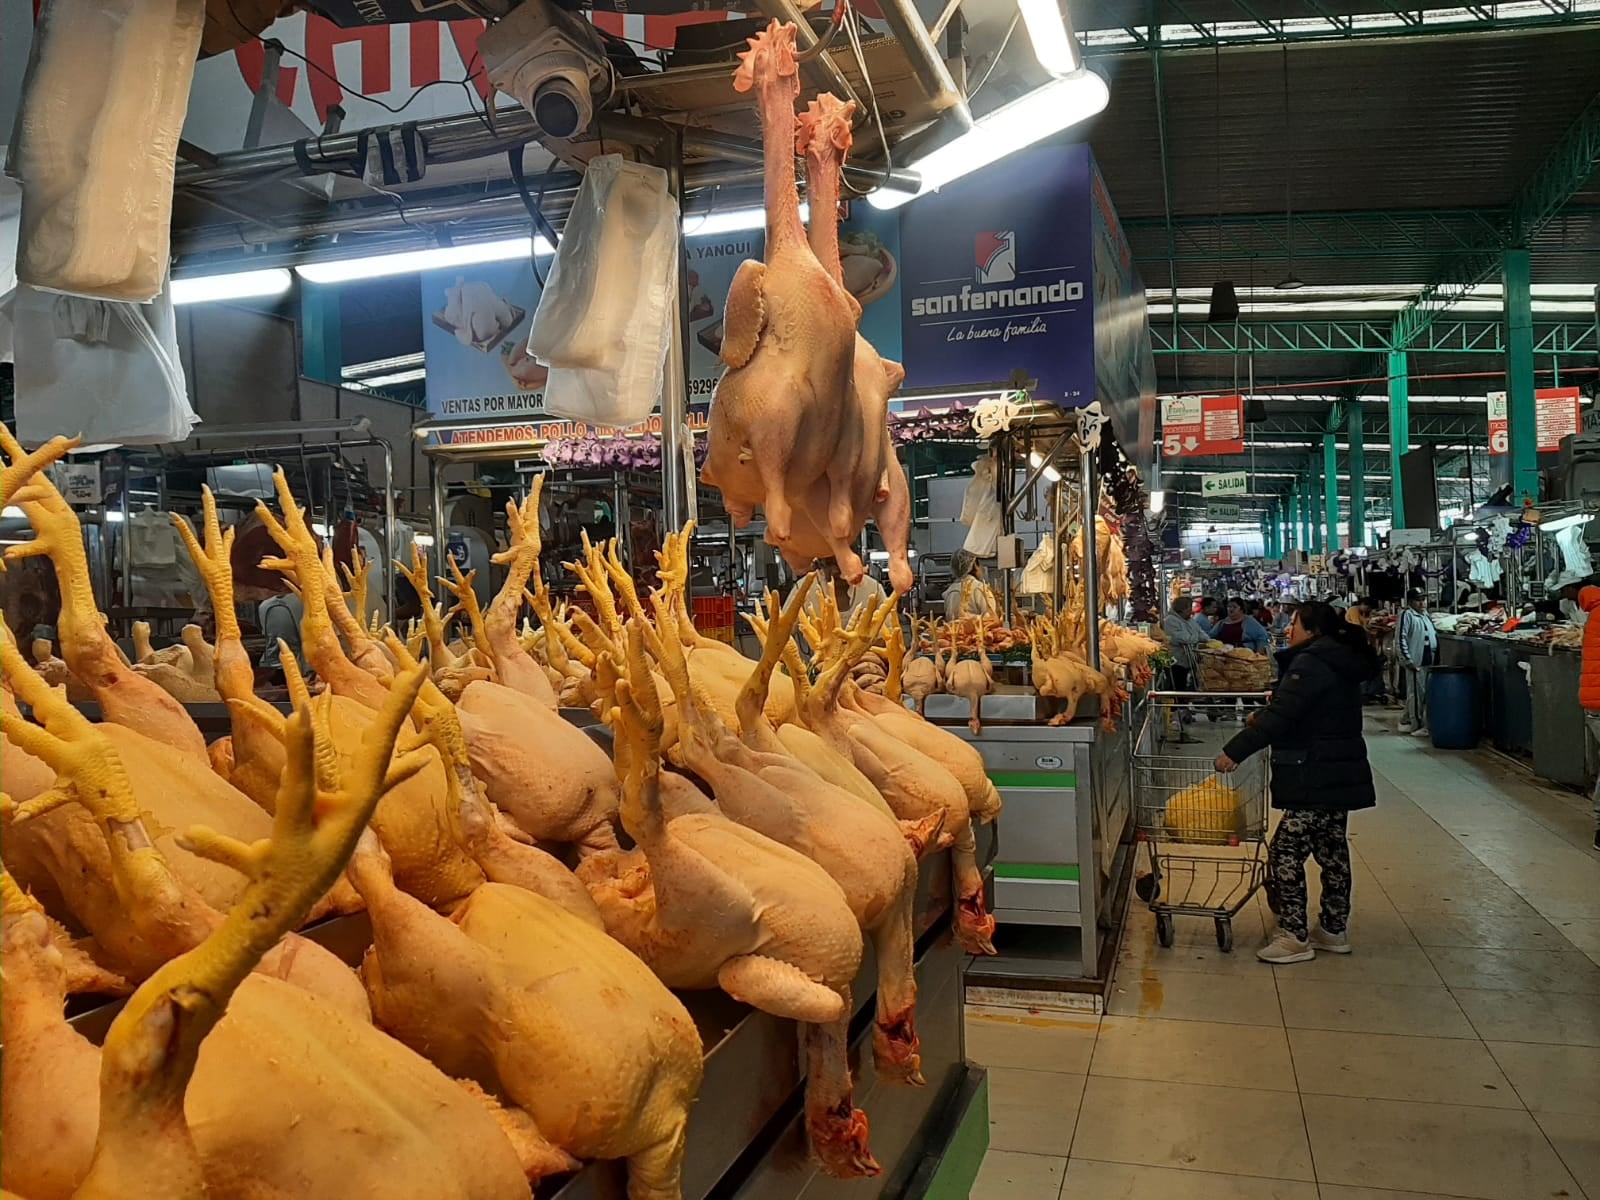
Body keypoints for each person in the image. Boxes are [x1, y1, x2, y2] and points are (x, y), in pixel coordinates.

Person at [1214, 601, 1380, 963]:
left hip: (1314, 770)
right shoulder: (1339, 658)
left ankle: (1294, 935)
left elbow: (1285, 714)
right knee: (1332, 852)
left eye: (1296, 624)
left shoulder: (1312, 662)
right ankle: (1333, 930)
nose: (1289, 629)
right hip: (1337, 768)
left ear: (1312, 630)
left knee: (1285, 852)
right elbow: (1308, 709)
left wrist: (1234, 751)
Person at [1397, 588, 1438, 735]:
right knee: (1416, 694)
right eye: (1418, 600)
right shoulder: (1407, 615)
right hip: (1416, 660)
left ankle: (1408, 720)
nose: (1422, 603)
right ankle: (1416, 725)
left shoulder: (1425, 616)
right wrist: (1407, 659)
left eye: (1423, 599)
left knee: (1424, 694)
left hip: (1428, 659)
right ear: (1410, 602)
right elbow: (1400, 638)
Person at [808, 558, 885, 625]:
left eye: (841, 562)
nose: (835, 571)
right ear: (819, 564)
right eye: (828, 564)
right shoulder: (806, 589)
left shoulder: (873, 588)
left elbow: (889, 631)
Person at [1161, 596, 1206, 691]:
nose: (1192, 610)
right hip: (1175, 660)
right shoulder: (1170, 621)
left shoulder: (1189, 620)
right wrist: (1196, 638)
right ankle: (1176, 704)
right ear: (1182, 609)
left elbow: (1200, 632)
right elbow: (1182, 638)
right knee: (1177, 685)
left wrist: (1210, 641)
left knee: (1185, 684)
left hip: (1189, 660)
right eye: (1190, 607)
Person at [943, 549, 997, 621]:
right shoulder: (980, 588)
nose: (982, 568)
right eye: (980, 564)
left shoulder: (949, 591)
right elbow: (991, 618)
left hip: (953, 631)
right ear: (975, 565)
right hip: (978, 632)